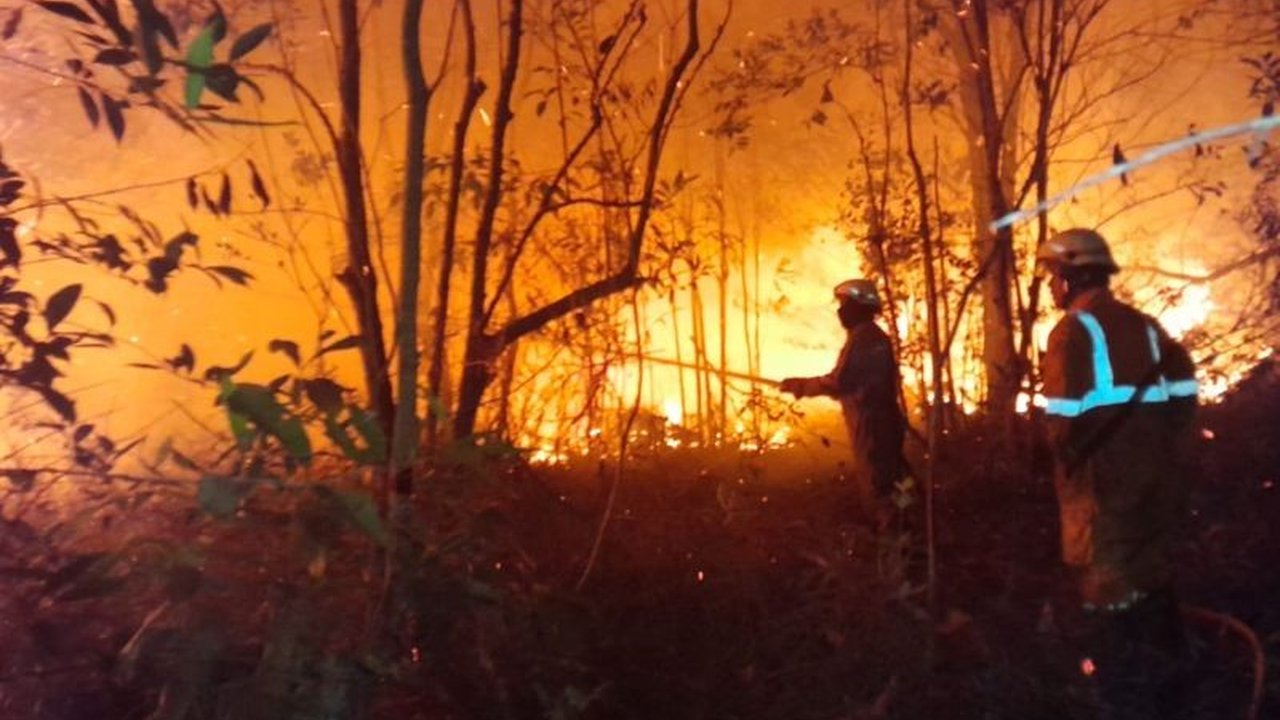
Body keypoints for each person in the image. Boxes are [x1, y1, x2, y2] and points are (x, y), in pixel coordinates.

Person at [1035, 228, 1199, 719]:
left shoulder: (1071, 333)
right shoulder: (1148, 326)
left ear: (1072, 275)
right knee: (1151, 575)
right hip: (1157, 481)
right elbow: (1185, 401)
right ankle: (1176, 681)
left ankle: (1124, 693)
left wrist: (1055, 462)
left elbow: (1062, 424)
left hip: (1103, 487)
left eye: (1054, 275)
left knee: (1106, 589)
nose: (1051, 286)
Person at [780, 279, 905, 521]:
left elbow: (840, 382)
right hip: (881, 421)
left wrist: (801, 385)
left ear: (860, 306)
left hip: (872, 424)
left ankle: (894, 538)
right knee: (895, 479)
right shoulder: (870, 336)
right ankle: (906, 525)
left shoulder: (864, 339)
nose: (840, 311)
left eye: (845, 304)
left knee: (879, 486)